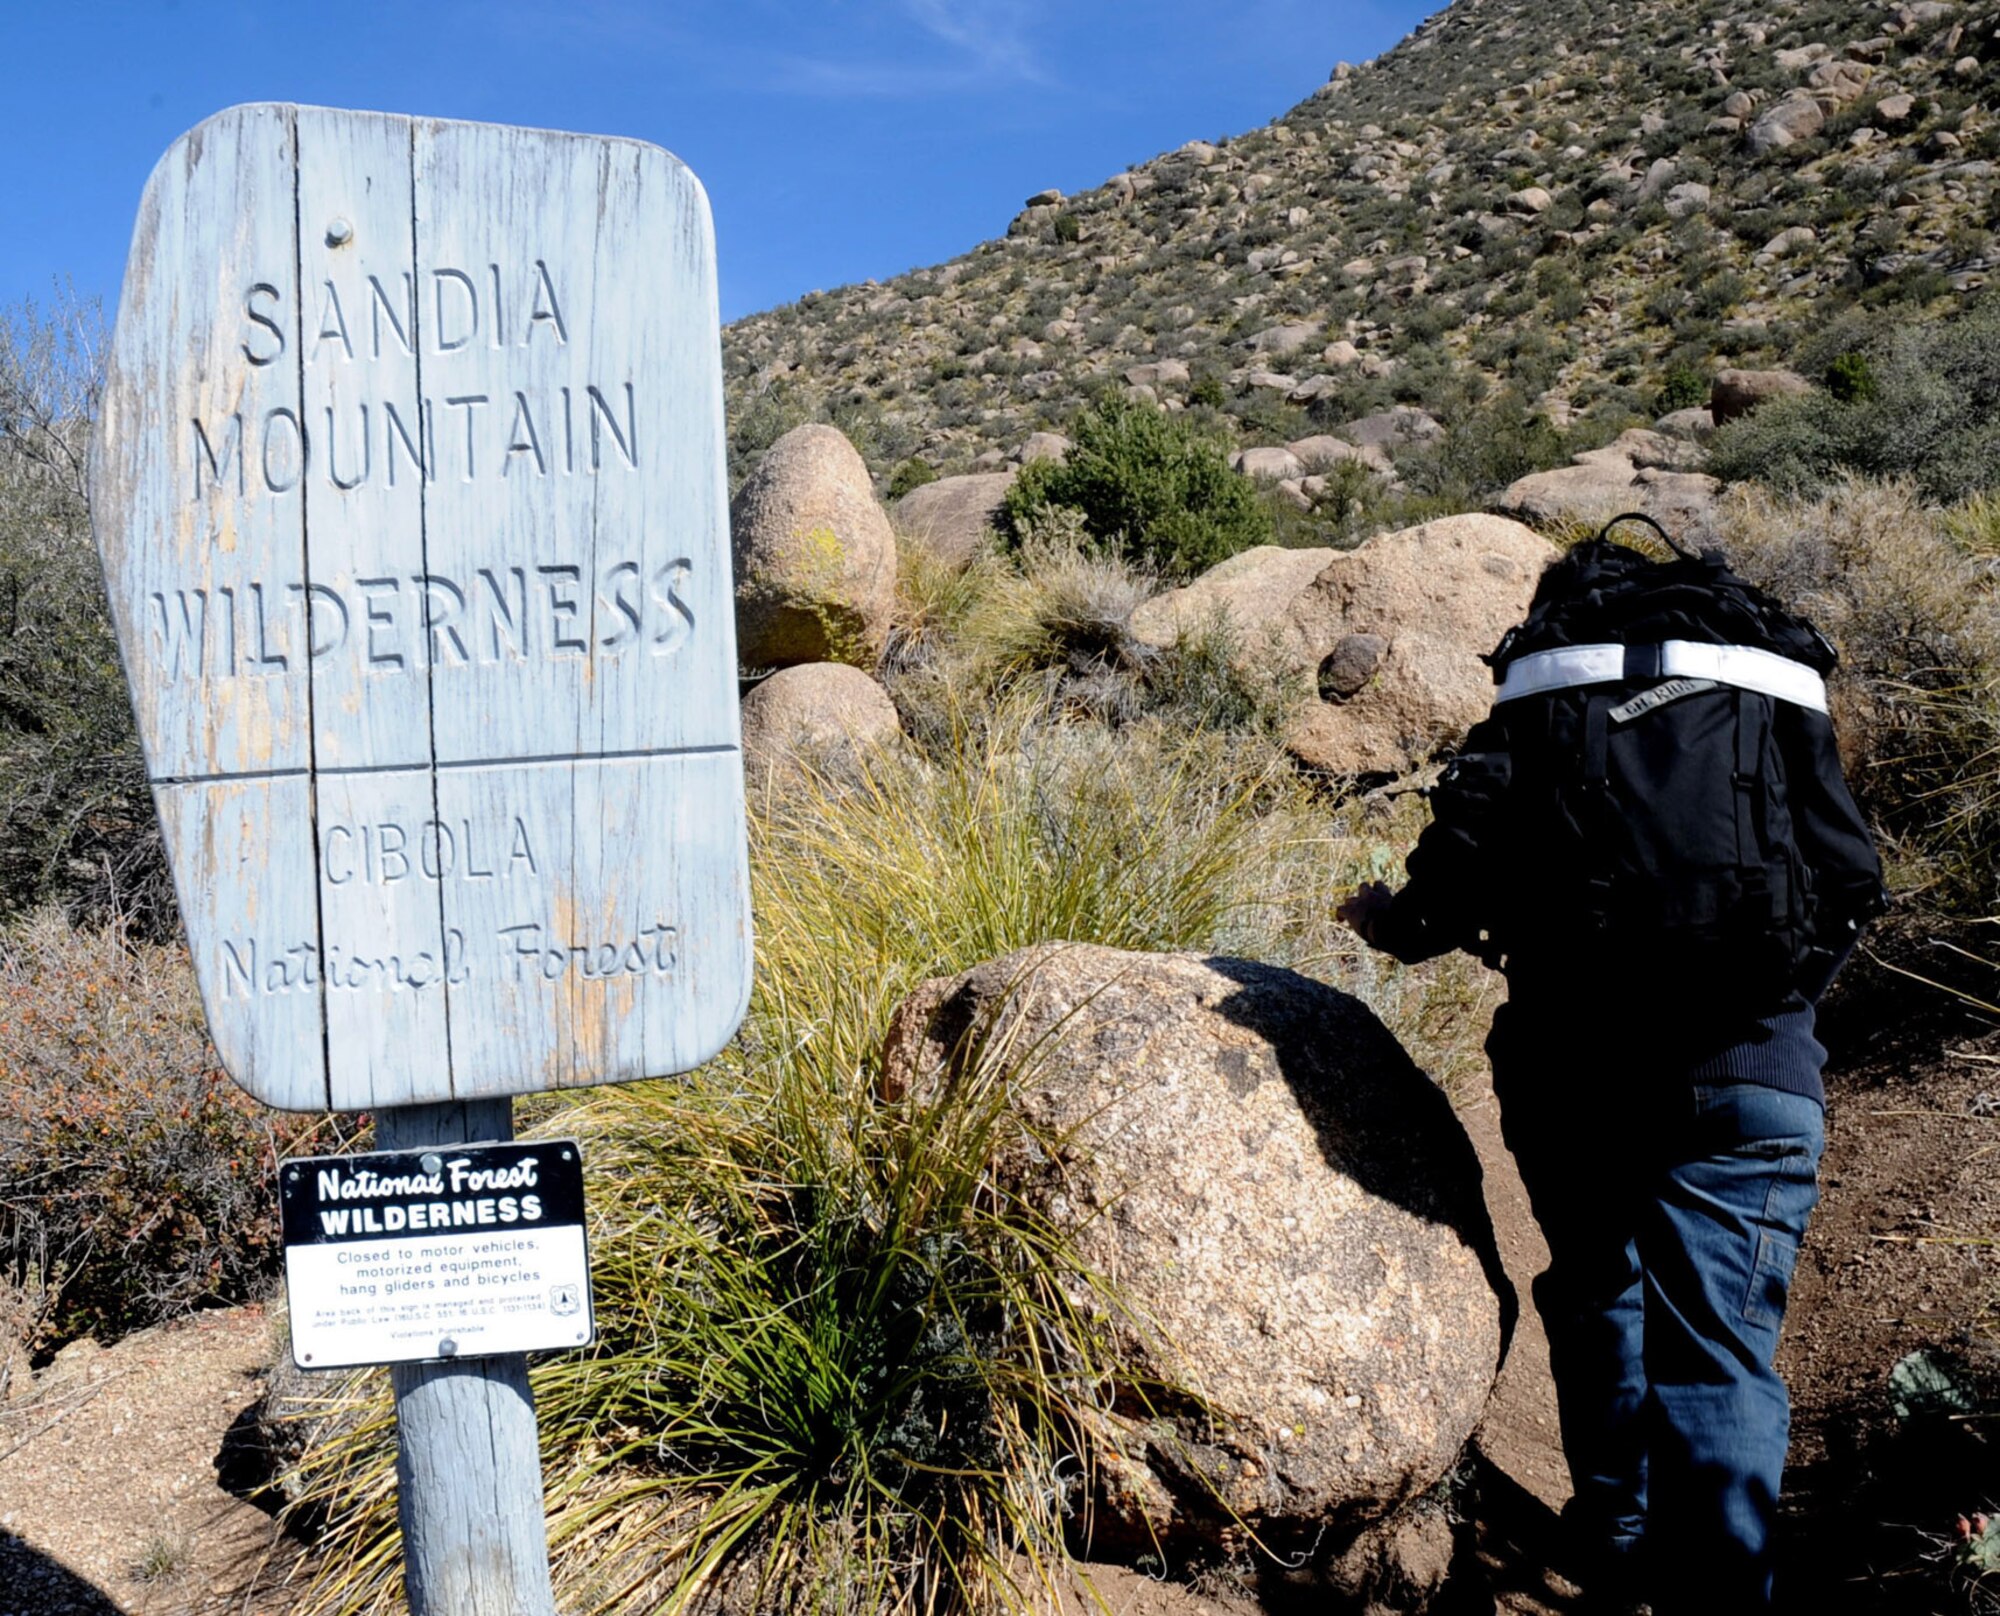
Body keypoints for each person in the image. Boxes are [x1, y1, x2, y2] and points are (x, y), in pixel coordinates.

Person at [1338, 528, 1885, 1615]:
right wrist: (1780, 1004)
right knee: (1720, 1350)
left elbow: (1453, 871)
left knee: (1596, 1286)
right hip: (1750, 1071)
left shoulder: (1542, 681)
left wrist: (1385, 925)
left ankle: (1615, 1529)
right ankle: (1719, 1592)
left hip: (1569, 1070)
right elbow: (1852, 878)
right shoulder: (1771, 678)